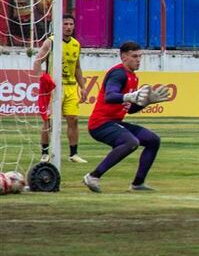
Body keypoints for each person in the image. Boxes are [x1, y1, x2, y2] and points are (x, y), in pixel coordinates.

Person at [82, 41, 171, 193]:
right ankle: (93, 176)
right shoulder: (118, 73)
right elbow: (110, 96)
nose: (138, 60)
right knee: (131, 142)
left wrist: (147, 102)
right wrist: (131, 96)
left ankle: (138, 184)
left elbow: (129, 109)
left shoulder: (133, 77)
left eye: (140, 56)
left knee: (153, 140)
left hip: (114, 122)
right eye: (134, 56)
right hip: (100, 124)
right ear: (124, 57)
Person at [32, 15, 87, 163]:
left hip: (70, 87)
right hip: (54, 88)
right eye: (65, 24)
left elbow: (77, 68)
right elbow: (37, 60)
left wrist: (83, 87)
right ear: (59, 26)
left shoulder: (76, 44)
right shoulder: (51, 42)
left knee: (73, 120)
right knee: (49, 122)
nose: (68, 27)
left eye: (71, 24)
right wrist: (42, 78)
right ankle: (44, 153)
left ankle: (73, 154)